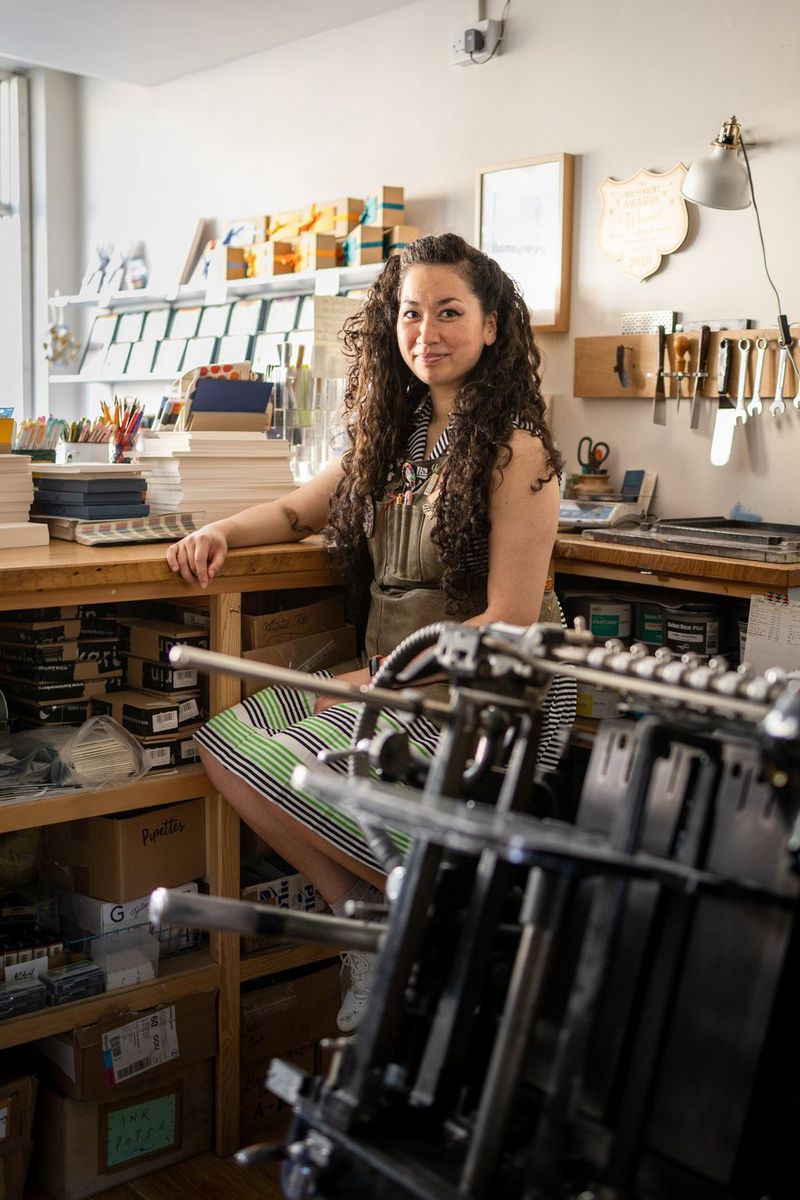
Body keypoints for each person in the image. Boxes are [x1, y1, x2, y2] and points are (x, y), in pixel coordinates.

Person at [166, 232, 576, 1030]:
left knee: (307, 750)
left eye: (450, 312)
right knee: (224, 745)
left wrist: (366, 682)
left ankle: (418, 922)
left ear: (492, 326)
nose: (428, 331)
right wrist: (220, 530)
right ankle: (364, 909)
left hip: (489, 695)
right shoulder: (394, 437)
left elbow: (507, 624)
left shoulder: (518, 448)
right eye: (411, 313)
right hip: (395, 678)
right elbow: (294, 510)